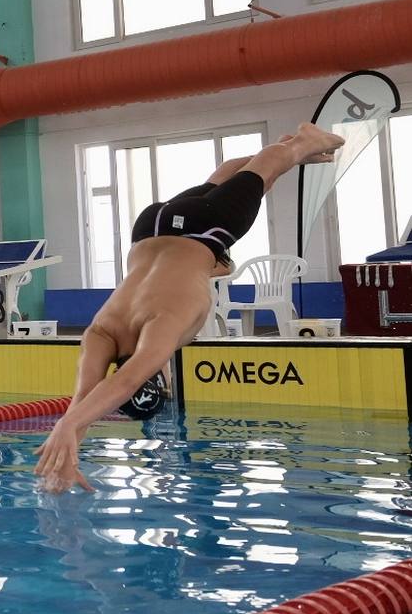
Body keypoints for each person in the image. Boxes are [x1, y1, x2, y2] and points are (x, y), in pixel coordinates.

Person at [35, 123, 346, 493]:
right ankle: (289, 150)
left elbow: (128, 381)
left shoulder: (160, 328)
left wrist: (68, 427)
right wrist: (68, 443)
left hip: (205, 229)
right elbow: (87, 396)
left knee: (268, 168)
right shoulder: (104, 331)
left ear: (162, 379)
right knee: (234, 175)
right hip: (151, 226)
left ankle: (301, 143)